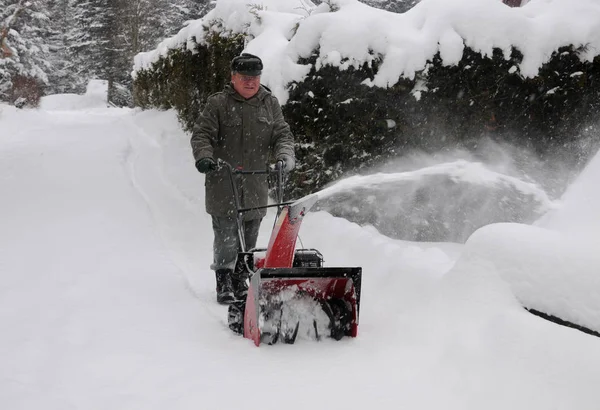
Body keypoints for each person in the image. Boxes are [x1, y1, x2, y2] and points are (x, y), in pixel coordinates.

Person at [191, 53, 295, 304]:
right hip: (224, 180)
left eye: (255, 77)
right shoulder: (218, 103)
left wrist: (284, 157)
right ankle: (224, 278)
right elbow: (202, 134)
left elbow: (283, 135)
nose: (251, 82)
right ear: (233, 77)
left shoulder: (269, 103)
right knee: (227, 232)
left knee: (249, 234)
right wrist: (204, 158)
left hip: (255, 182)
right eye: (245, 77)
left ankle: (241, 277)